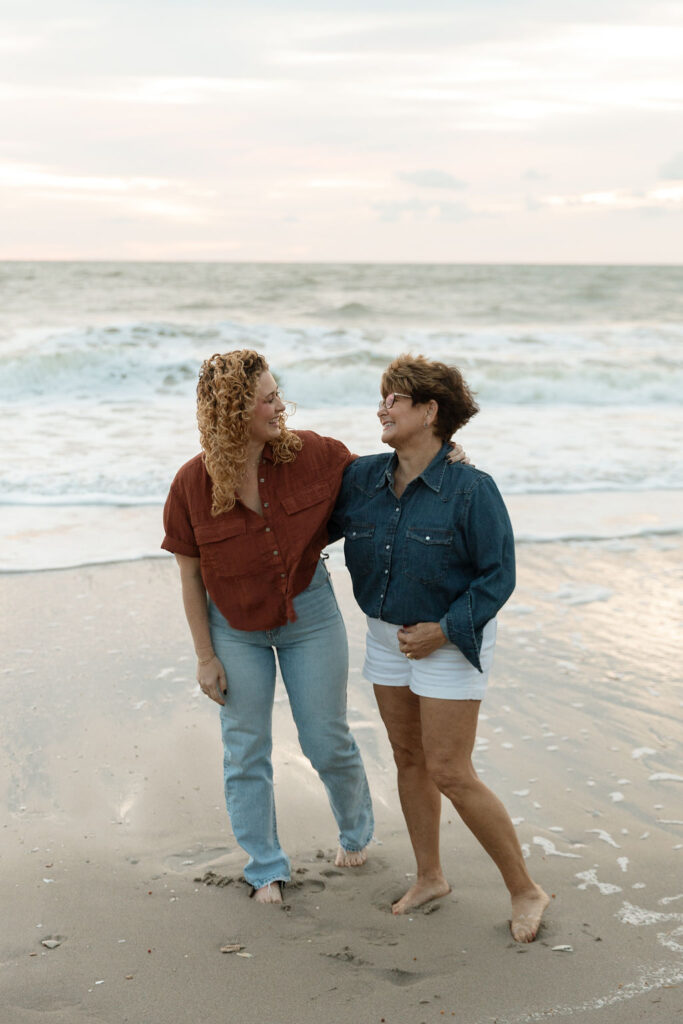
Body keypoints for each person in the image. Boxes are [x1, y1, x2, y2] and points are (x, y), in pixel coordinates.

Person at [329, 354, 549, 942]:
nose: (382, 408)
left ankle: (526, 889)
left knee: (450, 769)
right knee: (408, 759)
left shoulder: (472, 489)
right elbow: (306, 516)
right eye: (381, 397)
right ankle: (430, 876)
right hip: (384, 634)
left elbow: (497, 576)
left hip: (451, 638)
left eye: (394, 398)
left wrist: (444, 631)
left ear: (429, 411)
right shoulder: (362, 478)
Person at [161, 350, 374, 904]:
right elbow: (190, 578)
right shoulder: (191, 484)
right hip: (232, 628)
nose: (280, 406)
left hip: (310, 613)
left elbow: (379, 482)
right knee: (245, 749)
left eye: (278, 393)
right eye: (267, 398)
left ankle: (356, 832)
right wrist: (205, 656)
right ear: (234, 409)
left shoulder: (314, 454)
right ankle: (265, 866)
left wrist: (443, 460)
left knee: (326, 740)